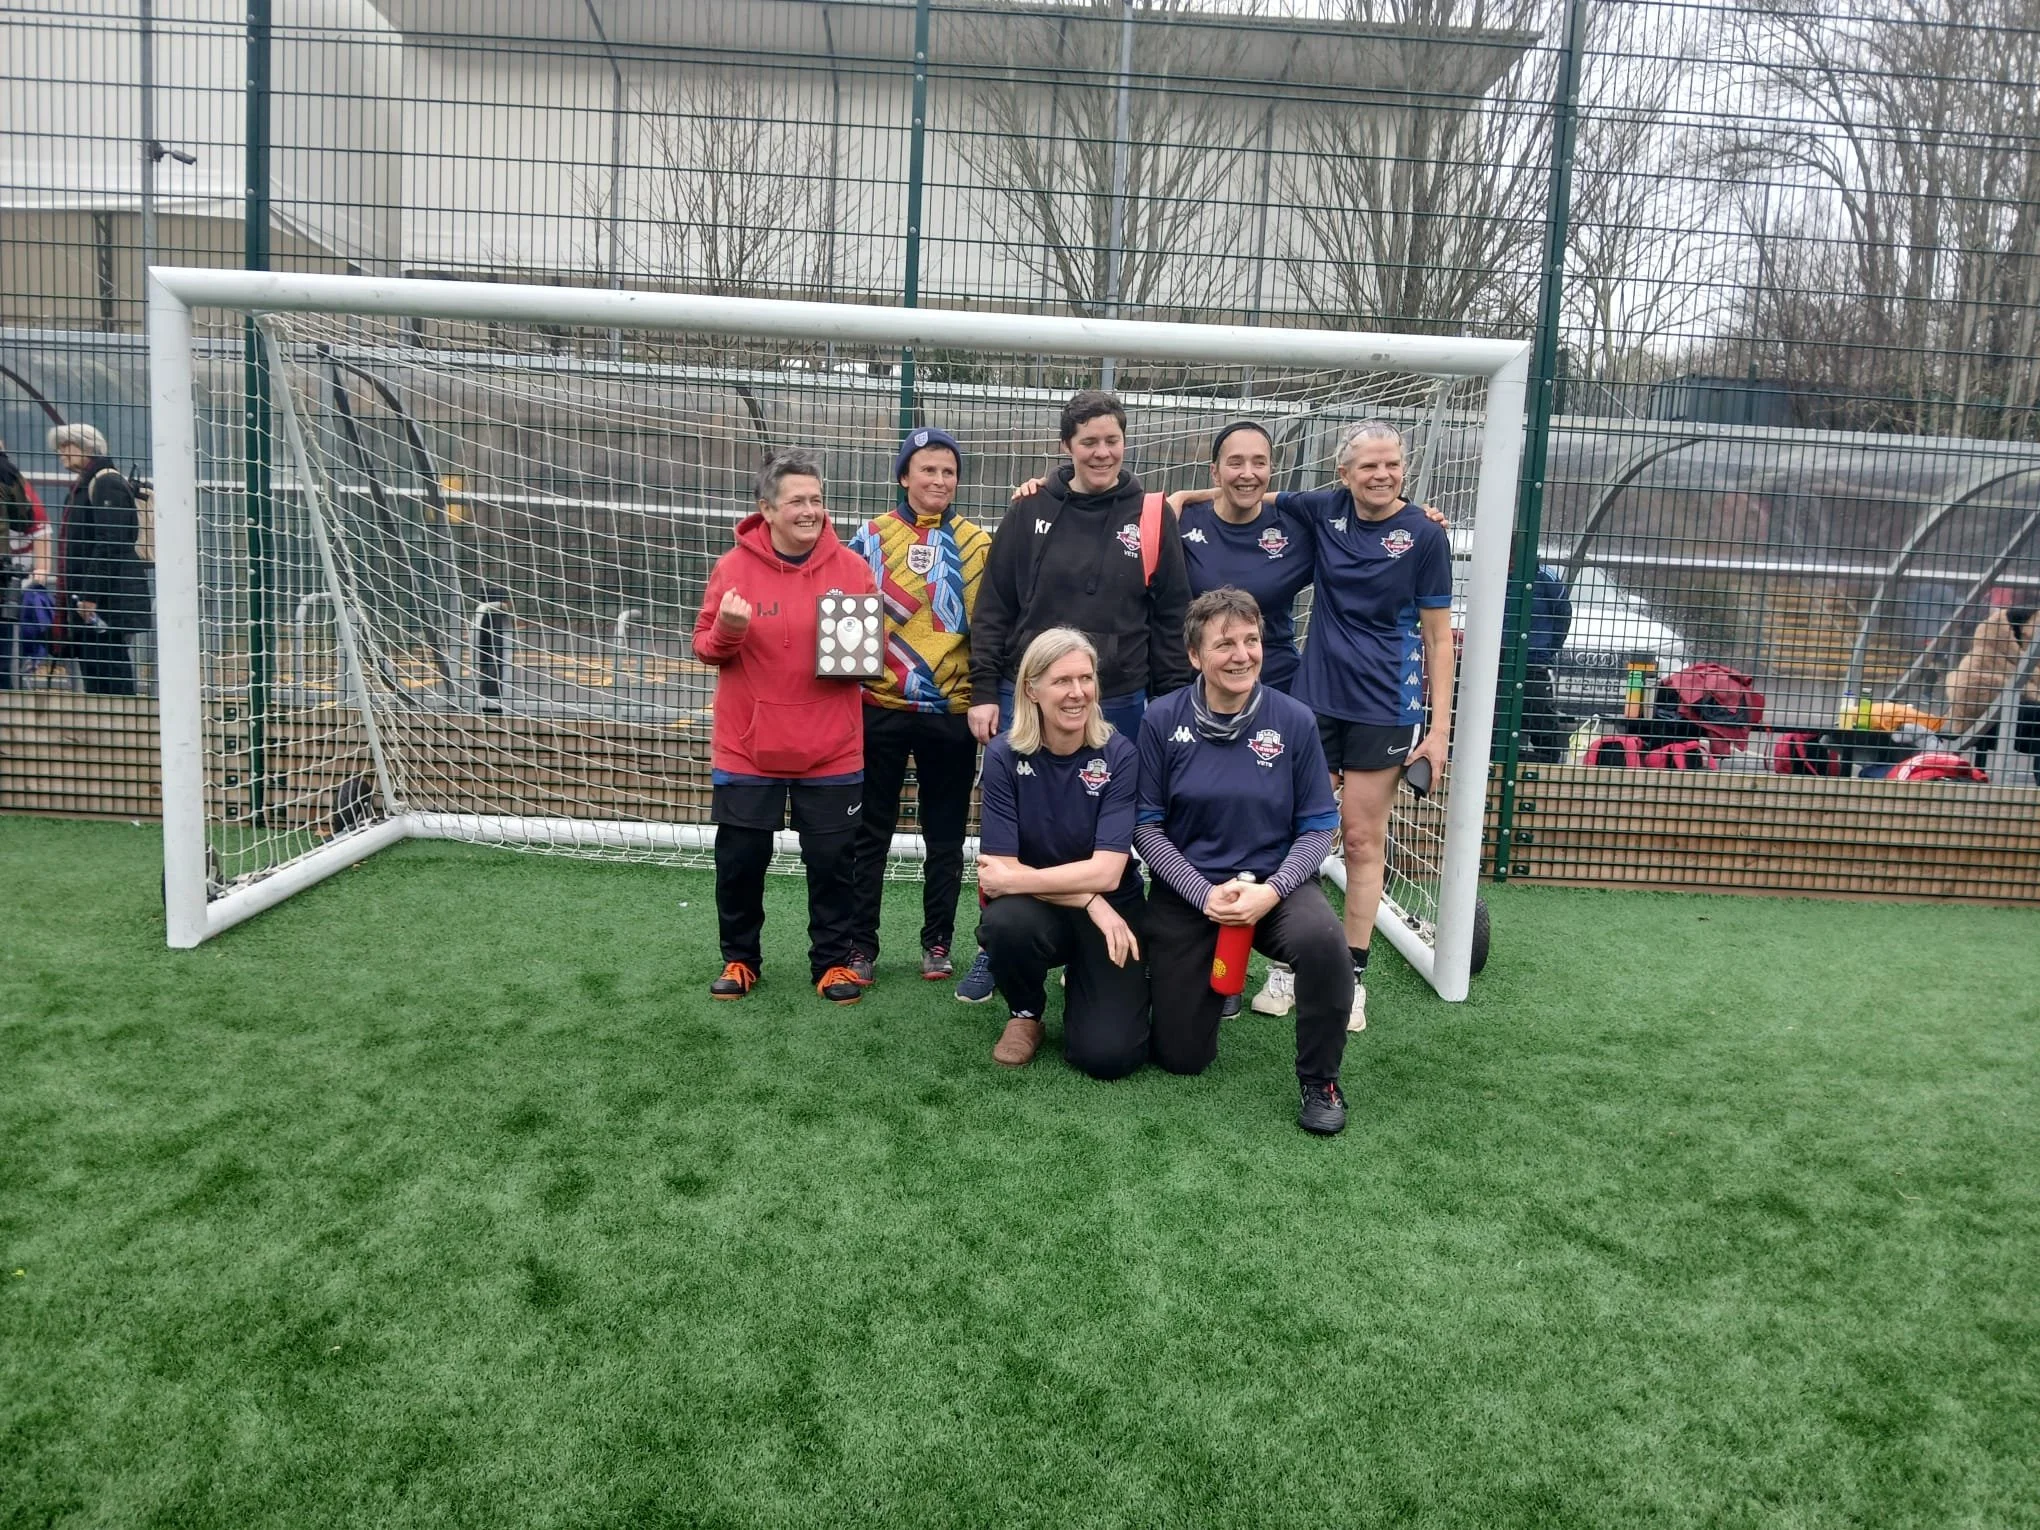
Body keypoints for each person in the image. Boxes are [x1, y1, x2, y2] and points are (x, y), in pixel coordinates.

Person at [956, 389, 1193, 1002]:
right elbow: (996, 608)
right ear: (1067, 447)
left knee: (1117, 823)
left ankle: (1106, 931)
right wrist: (986, 689)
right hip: (1027, 692)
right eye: (1088, 441)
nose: (1101, 451)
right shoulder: (1031, 510)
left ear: (1124, 442)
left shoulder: (1150, 514)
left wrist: (1170, 708)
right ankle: (998, 943)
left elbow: (1170, 619)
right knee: (1012, 823)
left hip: (1116, 699)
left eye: (1111, 439)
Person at [1135, 588, 1352, 1135]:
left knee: (1325, 941)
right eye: (1224, 643)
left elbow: (1320, 827)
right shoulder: (1161, 720)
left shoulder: (1295, 721)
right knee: (1182, 1058)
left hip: (1273, 887)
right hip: (1191, 891)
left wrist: (1273, 891)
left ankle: (1320, 1080)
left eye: (1251, 640)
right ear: (1194, 655)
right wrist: (1201, 892)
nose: (1241, 655)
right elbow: (1146, 826)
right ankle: (1217, 988)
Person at [1276, 421, 1453, 1033]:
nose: (1382, 475)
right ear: (1343, 473)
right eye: (1369, 466)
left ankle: (1350, 976)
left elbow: (1437, 638)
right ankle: (1288, 962)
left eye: (1393, 464)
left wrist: (1439, 729)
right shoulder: (1324, 511)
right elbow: (1251, 498)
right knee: (1296, 832)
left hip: (1385, 708)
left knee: (1358, 840)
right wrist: (1180, 500)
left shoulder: (1426, 536)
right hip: (1314, 702)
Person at [691, 448, 877, 1005]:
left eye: (816, 500)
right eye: (797, 501)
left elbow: (868, 663)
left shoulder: (852, 569)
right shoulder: (732, 568)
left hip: (833, 749)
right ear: (766, 509)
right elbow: (705, 648)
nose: (810, 510)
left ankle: (833, 963)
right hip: (748, 749)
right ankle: (740, 958)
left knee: (832, 865)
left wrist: (864, 649)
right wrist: (728, 628)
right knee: (741, 862)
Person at [844, 428, 991, 986]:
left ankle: (937, 942)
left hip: (951, 713)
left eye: (948, 471)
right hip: (877, 705)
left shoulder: (978, 545)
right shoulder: (871, 537)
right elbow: (847, 615)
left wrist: (983, 696)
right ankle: (861, 947)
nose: (938, 480)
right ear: (905, 475)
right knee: (870, 832)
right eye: (927, 469)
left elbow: (989, 628)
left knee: (946, 835)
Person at [975, 628, 1149, 1076]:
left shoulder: (1119, 754)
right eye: (1062, 681)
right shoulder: (1003, 756)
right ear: (1031, 689)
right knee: (1005, 921)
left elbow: (1109, 873)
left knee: (1108, 1057)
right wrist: (1089, 899)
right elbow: (1000, 869)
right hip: (1043, 910)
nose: (1078, 693)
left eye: (1086, 679)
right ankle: (1026, 1014)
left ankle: (1089, 984)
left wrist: (1022, 882)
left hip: (1112, 910)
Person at [50, 424, 150, 696]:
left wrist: (90, 594)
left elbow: (112, 542)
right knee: (96, 669)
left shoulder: (105, 482)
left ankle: (126, 726)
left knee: (110, 670)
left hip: (105, 600)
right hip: (89, 598)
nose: (61, 454)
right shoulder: (85, 485)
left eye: (65, 446)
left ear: (86, 446)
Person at [1945, 601, 2040, 785]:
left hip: (2015, 719)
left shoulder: (2026, 657)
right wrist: (2017, 691)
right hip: (1985, 720)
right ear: (2016, 630)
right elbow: (1965, 690)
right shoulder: (1984, 653)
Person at [1, 438, 53, 689]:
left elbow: (40, 529)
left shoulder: (17, 488)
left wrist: (41, 570)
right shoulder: (15, 482)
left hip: (13, 579)